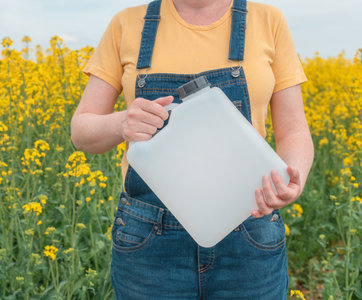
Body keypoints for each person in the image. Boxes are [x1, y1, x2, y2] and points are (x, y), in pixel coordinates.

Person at [71, 0, 314, 298]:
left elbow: (295, 131)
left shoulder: (267, 20)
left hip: (250, 228)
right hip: (149, 239)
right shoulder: (126, 24)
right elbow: (81, 132)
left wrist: (292, 179)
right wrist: (123, 122)